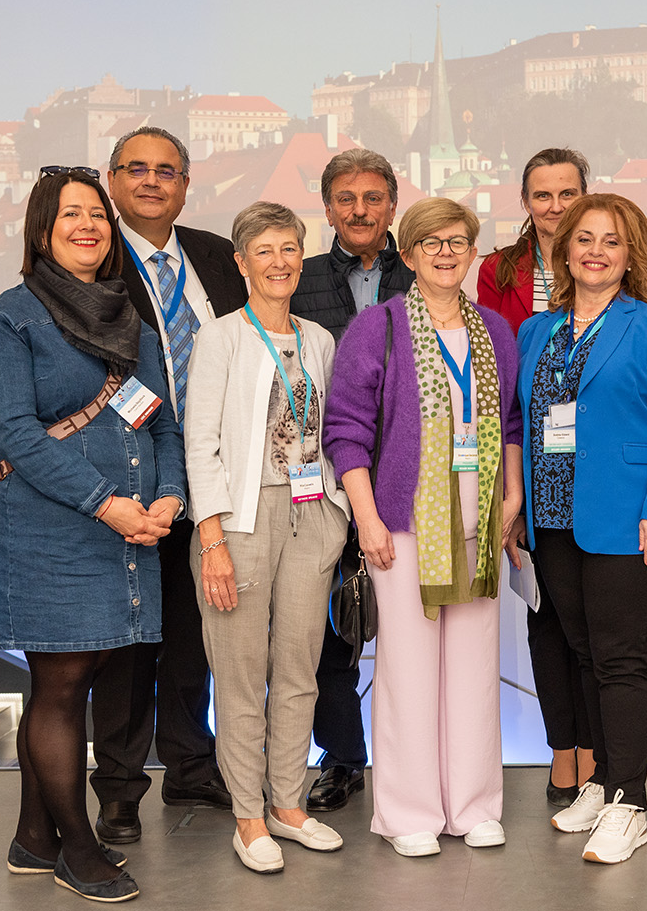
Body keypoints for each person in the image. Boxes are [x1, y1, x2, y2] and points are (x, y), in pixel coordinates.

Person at [0, 167, 185, 902]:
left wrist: (168, 493)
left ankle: (34, 840)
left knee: (74, 681)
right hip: (45, 533)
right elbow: (17, 439)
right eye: (71, 215)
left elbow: (159, 419)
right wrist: (106, 503)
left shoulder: (129, 318)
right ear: (42, 229)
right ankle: (78, 848)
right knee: (62, 687)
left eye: (98, 214)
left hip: (125, 532)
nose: (88, 225)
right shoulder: (11, 319)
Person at [324, 197, 524, 856]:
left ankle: (472, 805)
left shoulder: (494, 330)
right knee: (408, 667)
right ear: (406, 255)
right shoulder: (376, 329)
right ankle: (409, 811)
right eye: (430, 242)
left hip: (480, 522)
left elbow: (514, 426)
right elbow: (346, 434)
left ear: (472, 252)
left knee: (473, 665)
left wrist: (510, 500)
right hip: (404, 526)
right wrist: (368, 520)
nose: (446, 251)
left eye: (458, 241)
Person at [517, 193, 647, 864]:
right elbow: (528, 426)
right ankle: (597, 782)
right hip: (555, 518)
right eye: (584, 238)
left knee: (621, 658)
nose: (596, 251)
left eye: (611, 241)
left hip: (629, 516)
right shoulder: (536, 332)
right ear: (564, 250)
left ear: (631, 255)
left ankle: (630, 803)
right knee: (583, 652)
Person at [183, 202, 352, 875]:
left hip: (313, 515)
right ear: (242, 263)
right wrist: (212, 540)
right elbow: (202, 442)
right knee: (241, 672)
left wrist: (338, 513)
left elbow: (329, 429)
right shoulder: (220, 338)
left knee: (300, 669)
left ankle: (288, 803)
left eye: (290, 249)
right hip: (241, 520)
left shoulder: (318, 339)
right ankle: (248, 816)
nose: (279, 262)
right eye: (265, 250)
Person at [91, 127, 246, 846]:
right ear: (112, 180)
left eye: (168, 171)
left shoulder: (216, 256)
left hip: (211, 478)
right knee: (127, 645)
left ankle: (191, 763)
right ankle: (120, 789)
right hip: (129, 485)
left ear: (186, 184)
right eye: (137, 170)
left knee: (194, 635)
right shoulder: (92, 254)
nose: (153, 182)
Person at [289, 147, 416, 812]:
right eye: (346, 199)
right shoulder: (298, 279)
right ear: (328, 207)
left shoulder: (427, 273)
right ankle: (342, 760)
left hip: (409, 483)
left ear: (392, 204)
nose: (360, 210)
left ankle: (414, 757)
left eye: (373, 198)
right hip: (323, 485)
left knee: (413, 633)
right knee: (331, 634)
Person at [475, 147, 596, 806]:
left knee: (595, 618)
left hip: (598, 460)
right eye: (543, 195)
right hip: (528, 457)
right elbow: (495, 367)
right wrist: (506, 485)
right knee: (546, 617)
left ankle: (599, 747)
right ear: (525, 201)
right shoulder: (500, 269)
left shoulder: (608, 258)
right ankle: (563, 750)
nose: (555, 206)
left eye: (567, 192)